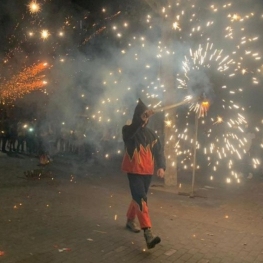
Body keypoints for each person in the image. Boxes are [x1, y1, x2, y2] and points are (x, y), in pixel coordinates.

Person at [121, 98, 166, 249]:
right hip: (134, 171)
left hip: (147, 172)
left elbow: (159, 152)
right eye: (143, 116)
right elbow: (132, 130)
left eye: (147, 117)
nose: (146, 120)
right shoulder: (128, 130)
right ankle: (148, 234)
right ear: (138, 116)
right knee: (141, 198)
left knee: (139, 198)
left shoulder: (152, 135)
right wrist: (140, 119)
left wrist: (162, 166)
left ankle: (129, 220)